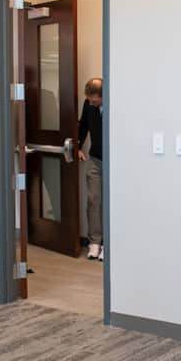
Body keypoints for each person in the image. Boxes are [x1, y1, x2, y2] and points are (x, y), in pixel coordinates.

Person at [77, 78, 104, 260]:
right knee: (93, 199)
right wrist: (78, 146)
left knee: (111, 203)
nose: (92, 103)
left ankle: (109, 244)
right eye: (90, 100)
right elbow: (84, 125)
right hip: (95, 158)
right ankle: (95, 242)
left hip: (114, 160)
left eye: (95, 100)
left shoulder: (116, 103)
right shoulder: (88, 103)